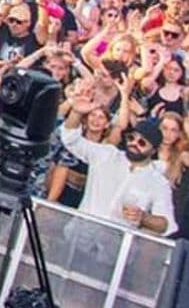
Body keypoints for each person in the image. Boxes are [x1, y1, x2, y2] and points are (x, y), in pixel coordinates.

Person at [59, 90, 176, 235]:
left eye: (142, 142)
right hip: (79, 235)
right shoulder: (107, 154)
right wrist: (76, 113)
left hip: (115, 249)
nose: (134, 143)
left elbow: (166, 225)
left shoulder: (158, 182)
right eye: (131, 138)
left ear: (152, 151)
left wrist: (143, 217)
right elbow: (71, 139)